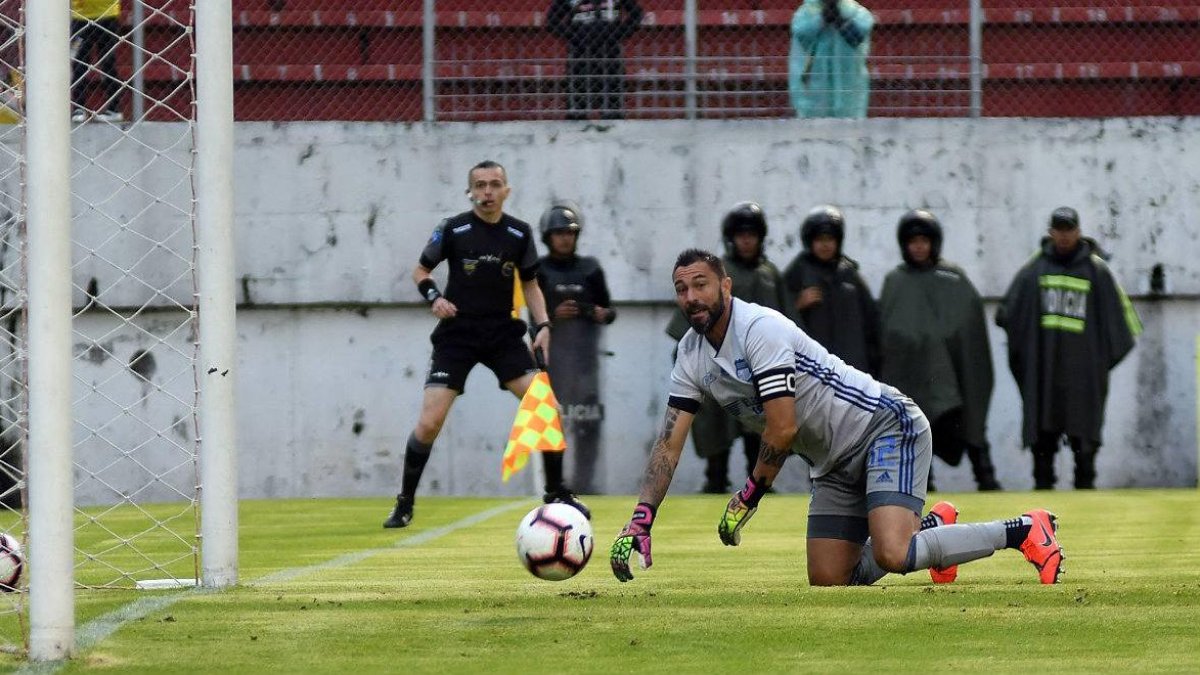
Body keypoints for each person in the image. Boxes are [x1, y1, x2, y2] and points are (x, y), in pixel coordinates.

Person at [609, 248, 1065, 587]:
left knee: (891, 554)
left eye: (701, 284)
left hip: (884, 427)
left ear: (726, 286)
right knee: (831, 581)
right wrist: (641, 517)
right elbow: (669, 443)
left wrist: (748, 497)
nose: (691, 297)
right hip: (829, 463)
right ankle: (931, 533)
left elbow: (783, 429)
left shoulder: (759, 330)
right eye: (681, 289)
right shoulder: (690, 355)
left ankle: (1023, 529)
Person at [383, 161, 590, 529]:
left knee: (548, 408)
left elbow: (530, 284)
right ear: (470, 191)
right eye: (480, 185)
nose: (487, 192)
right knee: (429, 423)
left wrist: (542, 325)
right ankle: (404, 502)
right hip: (457, 336)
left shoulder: (519, 233)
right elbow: (421, 271)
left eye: (495, 185)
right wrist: (434, 298)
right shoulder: (453, 229)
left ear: (506, 190)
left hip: (502, 336)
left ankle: (556, 491)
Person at [995, 207, 1142, 490]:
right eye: (1059, 230)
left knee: (1084, 437)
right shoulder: (1034, 270)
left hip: (1083, 374)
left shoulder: (1097, 271)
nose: (1064, 236)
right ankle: (1042, 489)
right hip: (1044, 371)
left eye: (1069, 230)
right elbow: (1006, 314)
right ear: (1050, 232)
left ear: (1078, 231)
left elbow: (1123, 326)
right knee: (1042, 436)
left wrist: (1096, 364)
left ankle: (1086, 487)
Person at [665, 202, 787, 494]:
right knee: (714, 424)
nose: (746, 240)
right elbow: (686, 327)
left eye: (752, 234)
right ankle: (715, 478)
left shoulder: (769, 274)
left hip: (760, 363)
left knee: (758, 423)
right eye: (740, 234)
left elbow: (785, 320)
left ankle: (759, 481)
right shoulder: (717, 273)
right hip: (715, 361)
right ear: (731, 237)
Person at [879, 210, 1002, 492]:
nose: (919, 247)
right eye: (913, 241)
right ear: (904, 244)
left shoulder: (954, 279)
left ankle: (986, 477)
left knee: (970, 424)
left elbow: (969, 332)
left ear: (934, 242)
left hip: (952, 376)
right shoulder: (895, 282)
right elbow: (888, 329)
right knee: (914, 428)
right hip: (909, 373)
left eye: (924, 240)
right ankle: (924, 483)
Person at [535, 200, 617, 494]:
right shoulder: (538, 270)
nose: (565, 238)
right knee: (552, 423)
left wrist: (598, 313)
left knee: (588, 426)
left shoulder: (590, 268)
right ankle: (553, 483)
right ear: (547, 237)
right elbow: (531, 319)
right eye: (558, 233)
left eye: (569, 232)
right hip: (553, 365)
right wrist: (553, 318)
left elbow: (609, 311)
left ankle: (586, 482)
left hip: (586, 363)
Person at [782, 204, 880, 376]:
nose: (825, 245)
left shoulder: (850, 274)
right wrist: (797, 304)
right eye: (819, 240)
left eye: (830, 239)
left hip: (852, 371)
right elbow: (776, 317)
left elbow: (871, 321)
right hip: (813, 371)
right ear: (810, 242)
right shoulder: (797, 273)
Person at [547, 0, 644, 120]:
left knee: (612, 102)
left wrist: (617, 35)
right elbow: (552, 20)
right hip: (580, 55)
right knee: (577, 104)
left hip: (610, 54)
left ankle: (613, 127)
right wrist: (574, 38)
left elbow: (637, 14)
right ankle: (577, 130)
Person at [788, 0, 874, 118]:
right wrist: (821, 20)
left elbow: (858, 37)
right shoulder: (807, 12)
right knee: (813, 117)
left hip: (848, 78)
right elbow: (802, 35)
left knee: (850, 115)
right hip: (814, 81)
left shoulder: (853, 11)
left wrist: (840, 21)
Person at [71, 0, 124, 123]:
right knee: (79, 63)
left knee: (108, 63)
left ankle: (114, 109)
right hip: (80, 18)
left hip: (108, 16)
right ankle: (78, 107)